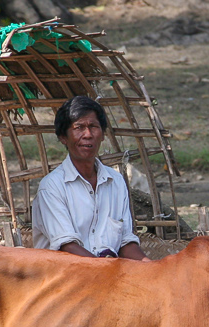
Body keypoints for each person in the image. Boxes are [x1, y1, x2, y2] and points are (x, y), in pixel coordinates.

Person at [31, 96, 149, 260]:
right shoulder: (52, 187)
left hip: (107, 273)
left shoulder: (116, 181)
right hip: (66, 277)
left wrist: (152, 268)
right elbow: (68, 247)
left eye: (93, 127)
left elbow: (125, 242)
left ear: (102, 135)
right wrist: (108, 273)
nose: (87, 134)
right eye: (78, 127)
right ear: (63, 137)